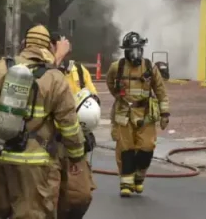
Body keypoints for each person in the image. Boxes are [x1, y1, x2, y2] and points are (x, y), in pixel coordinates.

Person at [0, 24, 85, 219]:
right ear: (48, 47)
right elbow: (69, 125)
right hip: (31, 164)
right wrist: (77, 157)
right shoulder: (55, 79)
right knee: (31, 213)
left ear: (24, 44)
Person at [106, 31, 170, 197]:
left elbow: (161, 91)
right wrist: (120, 98)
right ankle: (126, 183)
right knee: (125, 148)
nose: (136, 53)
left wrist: (165, 113)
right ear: (126, 51)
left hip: (146, 114)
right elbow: (110, 84)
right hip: (124, 114)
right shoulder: (116, 67)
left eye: (139, 49)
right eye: (133, 50)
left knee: (147, 147)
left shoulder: (149, 67)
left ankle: (139, 178)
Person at [49, 33, 98, 219]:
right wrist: (57, 58)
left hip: (74, 144)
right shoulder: (42, 71)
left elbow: (92, 97)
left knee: (80, 197)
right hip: (46, 146)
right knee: (47, 198)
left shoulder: (78, 71)